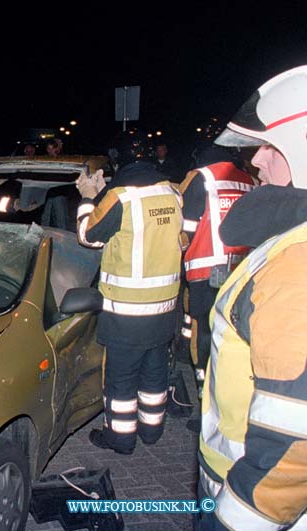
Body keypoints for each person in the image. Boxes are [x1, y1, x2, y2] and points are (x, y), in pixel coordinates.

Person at [196, 65, 307, 531]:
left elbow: (294, 430)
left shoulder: (298, 262)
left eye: (270, 147)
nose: (256, 160)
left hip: (251, 504)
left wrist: (235, 520)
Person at [76, 133, 183, 455]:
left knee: (121, 378)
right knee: (154, 370)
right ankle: (152, 430)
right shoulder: (172, 191)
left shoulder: (121, 197)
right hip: (165, 305)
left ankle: (120, 438)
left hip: (127, 309)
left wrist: (88, 196)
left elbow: (88, 236)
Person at [178, 145, 254, 414]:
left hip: (206, 270)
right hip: (242, 269)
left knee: (204, 334)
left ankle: (205, 401)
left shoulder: (202, 177)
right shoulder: (247, 179)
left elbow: (184, 227)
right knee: (233, 333)